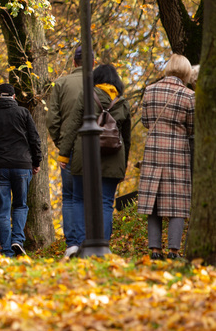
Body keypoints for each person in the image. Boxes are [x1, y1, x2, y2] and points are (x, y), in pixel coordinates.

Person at [57, 64, 131, 249]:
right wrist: (123, 166)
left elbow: (72, 125)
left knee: (79, 200)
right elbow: (127, 139)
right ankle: (102, 245)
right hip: (114, 158)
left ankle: (83, 245)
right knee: (106, 202)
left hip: (84, 155)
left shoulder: (87, 96)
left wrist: (64, 155)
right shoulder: (123, 103)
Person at [137, 54, 195, 260]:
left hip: (153, 152)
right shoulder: (188, 95)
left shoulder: (150, 91)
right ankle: (173, 251)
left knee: (153, 202)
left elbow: (145, 121)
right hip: (177, 154)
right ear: (186, 72)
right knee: (177, 202)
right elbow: (191, 127)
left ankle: (154, 250)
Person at [0, 83, 42, 257]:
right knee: (21, 205)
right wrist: (36, 162)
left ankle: (7, 250)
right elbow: (35, 140)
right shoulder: (23, 113)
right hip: (22, 166)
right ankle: (17, 240)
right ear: (14, 97)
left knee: (2, 209)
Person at [47, 45, 90, 258]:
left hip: (70, 148)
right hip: (95, 149)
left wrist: (61, 142)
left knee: (71, 196)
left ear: (74, 62)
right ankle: (90, 241)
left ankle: (73, 243)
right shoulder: (98, 84)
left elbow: (52, 119)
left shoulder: (61, 83)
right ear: (93, 63)